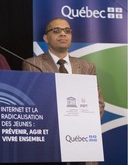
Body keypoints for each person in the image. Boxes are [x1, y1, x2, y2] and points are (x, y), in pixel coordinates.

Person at [22, 18, 105, 165]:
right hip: (50, 142)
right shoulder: (32, 64)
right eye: (56, 31)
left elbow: (98, 104)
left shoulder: (87, 66)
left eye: (67, 31)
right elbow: (33, 106)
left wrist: (81, 125)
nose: (63, 34)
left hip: (84, 142)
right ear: (46, 38)